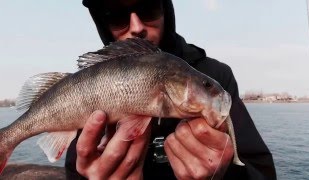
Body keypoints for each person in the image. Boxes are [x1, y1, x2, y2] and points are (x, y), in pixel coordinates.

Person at [65, 0, 277, 179]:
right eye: (117, 17)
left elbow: (262, 171)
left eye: (148, 8)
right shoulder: (93, 84)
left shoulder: (215, 75)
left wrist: (225, 172)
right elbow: (74, 169)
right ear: (103, 24)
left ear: (165, 9)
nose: (137, 27)